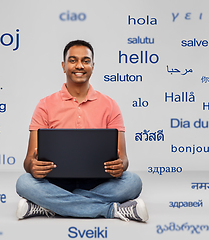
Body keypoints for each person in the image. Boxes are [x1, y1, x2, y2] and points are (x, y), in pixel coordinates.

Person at [15, 40, 149, 222]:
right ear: (63, 66)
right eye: (73, 60)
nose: (79, 65)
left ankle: (49, 206)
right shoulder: (45, 105)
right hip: (56, 182)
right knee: (24, 183)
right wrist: (33, 166)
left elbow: (124, 159)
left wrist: (120, 166)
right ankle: (111, 210)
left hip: (98, 181)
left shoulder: (110, 105)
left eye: (86, 61)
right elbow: (28, 161)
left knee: (133, 182)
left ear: (93, 66)